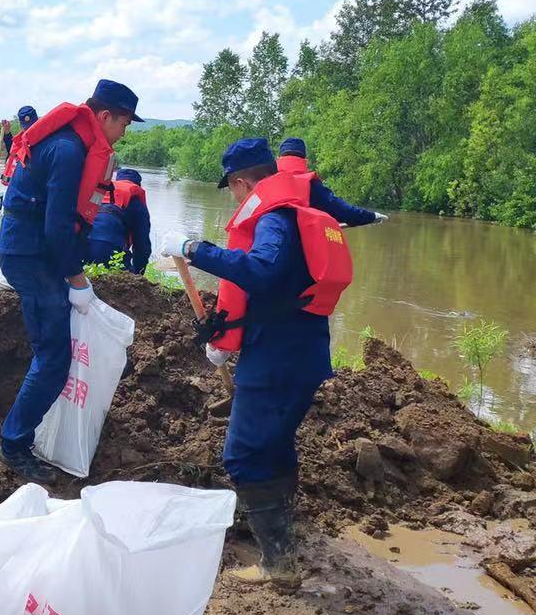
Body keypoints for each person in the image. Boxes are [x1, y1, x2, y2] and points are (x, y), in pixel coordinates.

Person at [162, 138, 353, 587]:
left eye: (231, 188)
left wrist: (195, 249)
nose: (233, 196)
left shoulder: (273, 220)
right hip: (303, 355)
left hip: (275, 363)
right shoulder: (297, 213)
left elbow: (262, 271)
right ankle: (281, 536)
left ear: (242, 182)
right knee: (275, 446)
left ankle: (278, 563)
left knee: (244, 455)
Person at [0, 80, 141, 483]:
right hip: (28, 256)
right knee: (54, 357)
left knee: (51, 349)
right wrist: (76, 280)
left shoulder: (73, 142)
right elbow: (57, 227)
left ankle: (20, 433)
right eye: (124, 123)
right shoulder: (68, 149)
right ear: (105, 116)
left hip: (35, 253)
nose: (124, 133)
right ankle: (14, 444)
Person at [277, 137, 387, 227]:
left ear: (279, 158)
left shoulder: (265, 182)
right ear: (305, 161)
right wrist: (372, 216)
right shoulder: (312, 186)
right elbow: (346, 212)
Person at [86, 167, 151, 274]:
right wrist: (138, 275)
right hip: (110, 249)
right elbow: (142, 245)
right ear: (138, 185)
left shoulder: (100, 192)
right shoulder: (136, 202)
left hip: (80, 247)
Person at [0, 105, 38, 184]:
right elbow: (13, 150)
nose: (28, 130)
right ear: (21, 126)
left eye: (32, 126)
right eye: (26, 127)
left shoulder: (44, 141)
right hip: (16, 188)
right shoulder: (18, 141)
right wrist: (7, 133)